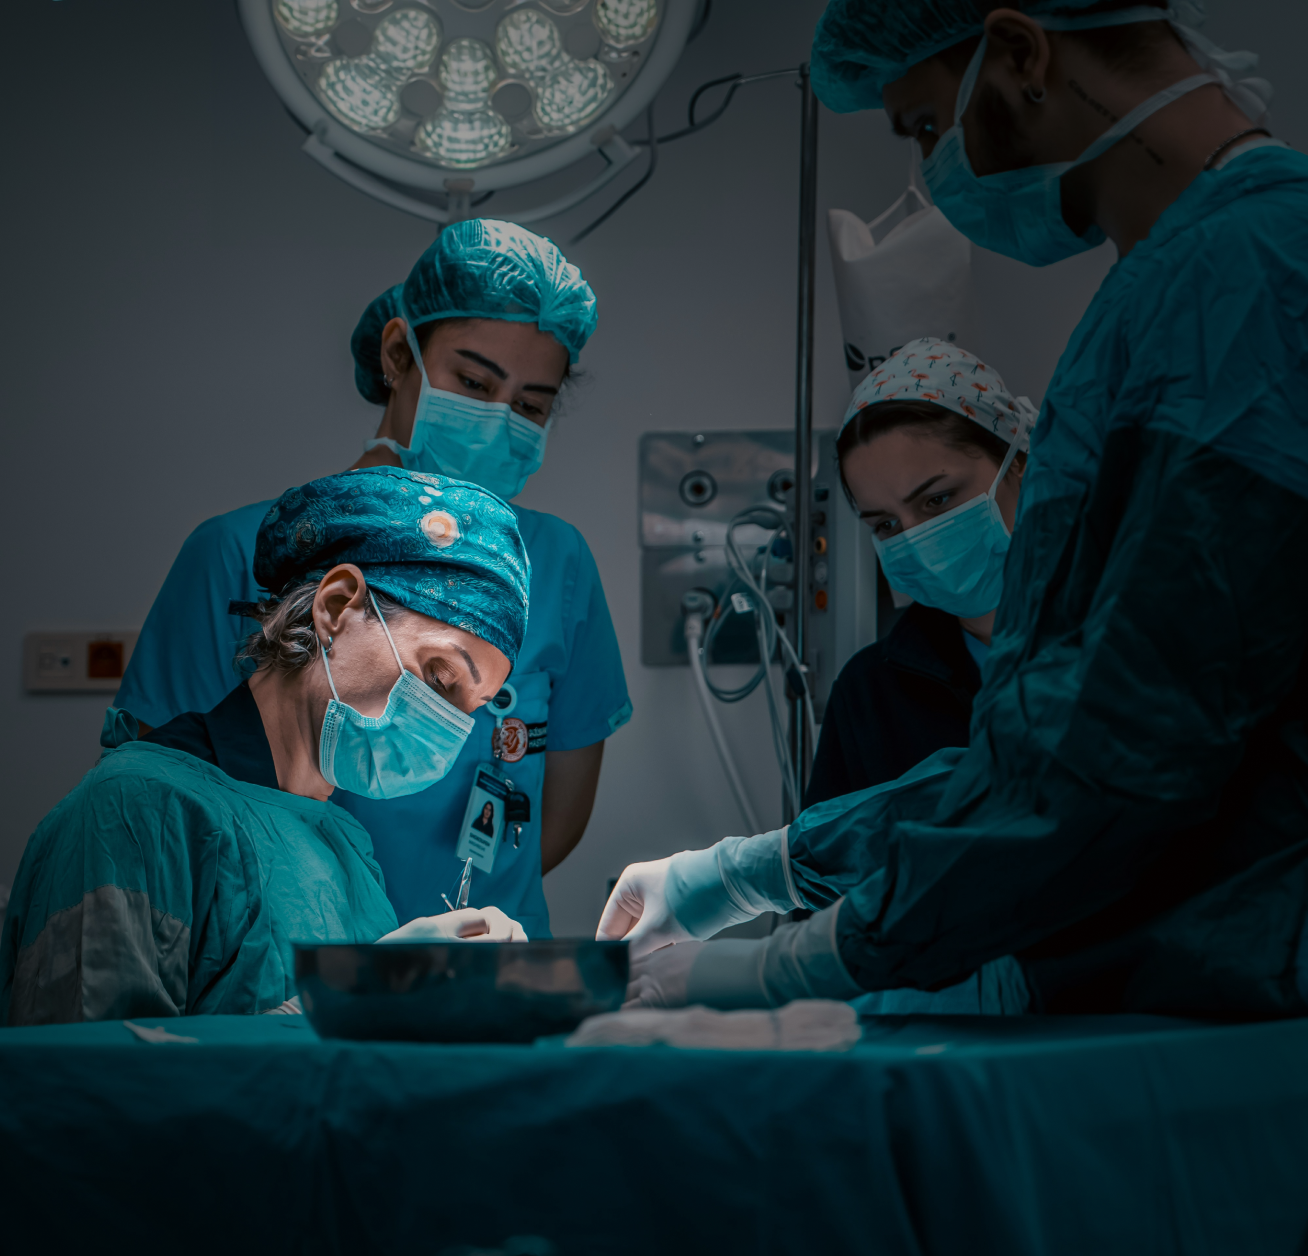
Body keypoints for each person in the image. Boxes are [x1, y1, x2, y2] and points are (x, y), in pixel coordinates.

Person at [602, 0, 1308, 1019]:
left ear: (1019, 52)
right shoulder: (1187, 284)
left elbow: (1129, 739)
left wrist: (796, 963)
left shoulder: (1241, 276)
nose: (938, 171)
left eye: (930, 126)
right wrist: (752, 870)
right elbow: (1052, 750)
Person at [114, 220, 630, 940]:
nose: (496, 420)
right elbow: (154, 813)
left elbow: (558, 814)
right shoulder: (241, 552)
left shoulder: (555, 565)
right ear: (398, 355)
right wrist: (331, 939)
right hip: (275, 965)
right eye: (473, 383)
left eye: (529, 406)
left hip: (483, 962)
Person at [1, 468, 532, 1026]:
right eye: (441, 678)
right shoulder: (133, 812)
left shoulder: (343, 844)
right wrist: (365, 988)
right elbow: (92, 1072)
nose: (446, 726)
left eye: (470, 709)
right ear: (336, 607)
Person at [805, 337, 1033, 808]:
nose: (918, 541)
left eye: (937, 500)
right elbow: (835, 851)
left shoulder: (1130, 642)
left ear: (1018, 465)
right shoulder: (869, 696)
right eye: (887, 525)